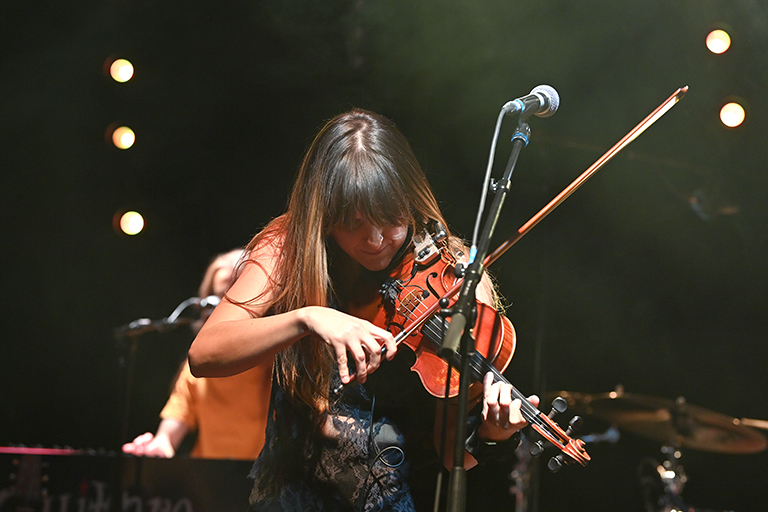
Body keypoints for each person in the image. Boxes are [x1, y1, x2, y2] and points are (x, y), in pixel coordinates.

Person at [188, 109, 538, 510]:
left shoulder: (454, 280)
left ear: (410, 199)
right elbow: (205, 353)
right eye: (352, 223)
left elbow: (450, 454)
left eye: (388, 219)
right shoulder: (292, 244)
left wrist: (492, 433)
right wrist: (308, 317)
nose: (373, 240)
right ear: (325, 214)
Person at [122, 249, 272, 460]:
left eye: (234, 297)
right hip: (208, 477)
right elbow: (167, 437)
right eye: (217, 300)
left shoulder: (282, 363)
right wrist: (157, 446)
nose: (222, 310)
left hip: (266, 480)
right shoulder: (198, 367)